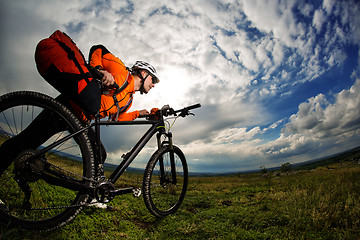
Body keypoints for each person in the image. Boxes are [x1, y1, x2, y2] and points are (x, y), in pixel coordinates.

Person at [0, 45, 160, 181]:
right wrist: (100, 70)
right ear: (143, 73)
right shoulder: (121, 70)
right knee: (25, 142)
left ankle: (90, 195)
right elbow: (98, 50)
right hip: (67, 107)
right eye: (153, 80)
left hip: (81, 122)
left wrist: (139, 113)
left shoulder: (128, 100)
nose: (153, 85)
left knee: (99, 155)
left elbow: (117, 118)